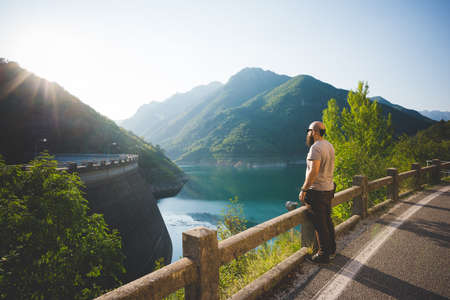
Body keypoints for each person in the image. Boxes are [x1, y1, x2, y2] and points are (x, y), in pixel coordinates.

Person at [299, 121, 336, 264]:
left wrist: (304, 189)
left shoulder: (315, 148)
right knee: (327, 220)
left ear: (314, 132)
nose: (308, 133)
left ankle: (323, 254)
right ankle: (331, 250)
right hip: (328, 188)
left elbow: (313, 171)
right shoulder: (329, 145)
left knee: (320, 224)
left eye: (308, 130)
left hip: (317, 191)